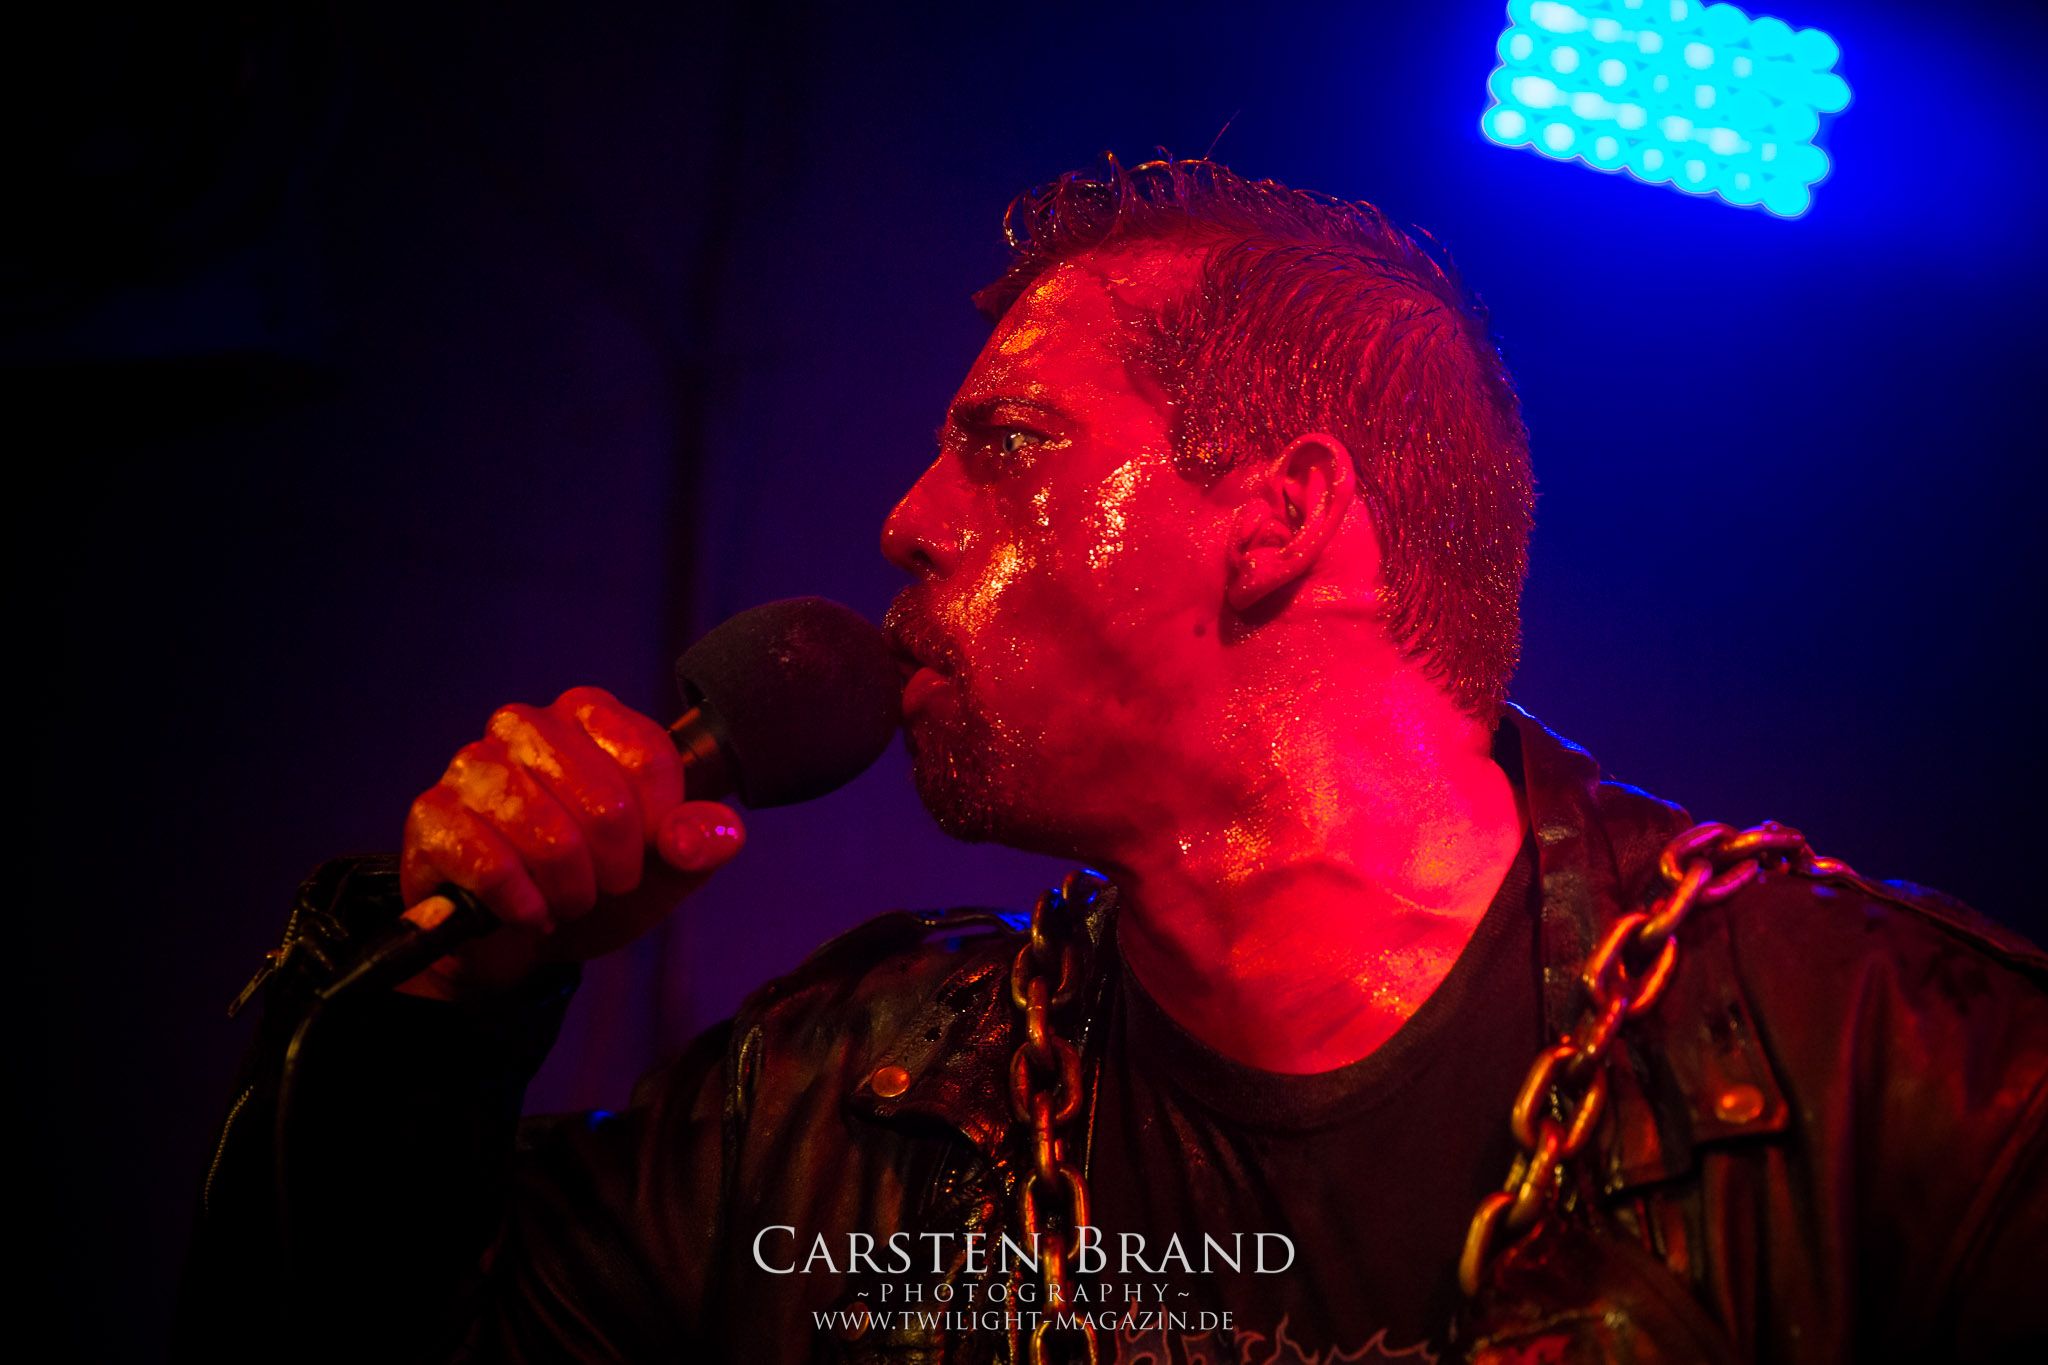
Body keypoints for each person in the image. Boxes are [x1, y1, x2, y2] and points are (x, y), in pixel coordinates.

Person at [176, 158, 2048, 1364]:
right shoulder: (832, 1118)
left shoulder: (1897, 1074)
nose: (906, 520)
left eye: (1005, 443)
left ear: (1279, 517)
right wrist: (437, 1014)